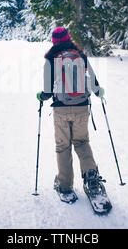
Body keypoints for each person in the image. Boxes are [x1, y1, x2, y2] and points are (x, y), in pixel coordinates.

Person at [36, 27, 106, 203]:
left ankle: (65, 185)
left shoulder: (51, 59)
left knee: (63, 146)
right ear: (69, 39)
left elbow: (46, 90)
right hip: (82, 107)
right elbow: (95, 83)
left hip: (61, 109)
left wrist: (41, 96)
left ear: (54, 42)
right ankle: (92, 179)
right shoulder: (80, 55)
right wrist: (99, 92)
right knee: (82, 143)